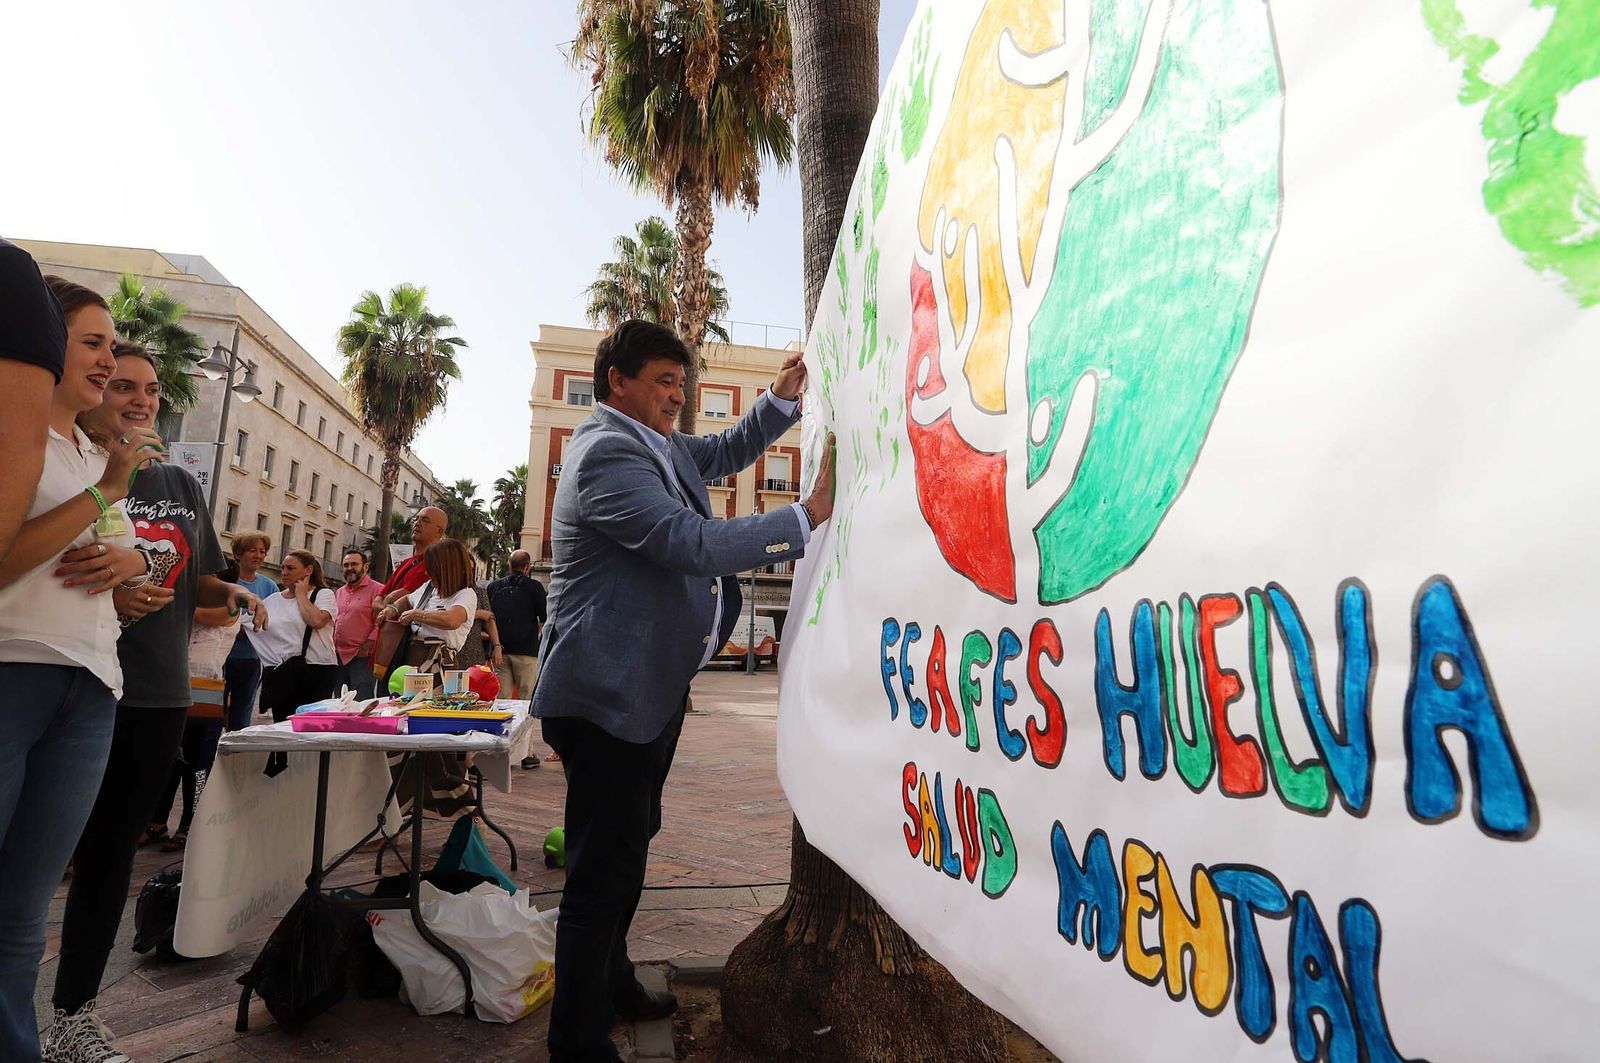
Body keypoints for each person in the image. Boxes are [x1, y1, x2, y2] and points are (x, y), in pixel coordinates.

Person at [531, 319, 835, 1063]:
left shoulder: (657, 445)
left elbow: (723, 451)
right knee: (601, 871)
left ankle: (615, 982)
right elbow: (687, 542)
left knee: (627, 852)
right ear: (617, 382)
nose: (678, 395)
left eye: (682, 381)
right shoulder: (606, 455)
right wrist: (805, 517)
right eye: (663, 380)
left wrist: (781, 399)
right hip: (607, 696)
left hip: (646, 692)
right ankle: (575, 1038)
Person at [43, 343, 264, 1063]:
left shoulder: (179, 481)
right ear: (92, 387)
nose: (140, 400)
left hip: (157, 691)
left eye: (151, 389)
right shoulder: (69, 465)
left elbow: (193, 576)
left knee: (109, 857)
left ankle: (75, 1016)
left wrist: (227, 592)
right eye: (123, 385)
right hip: (73, 679)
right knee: (40, 856)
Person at [0, 279, 161, 1063]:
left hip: (92, 687)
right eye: (93, 343)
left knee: (25, 914)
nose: (107, 359)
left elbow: (126, 558)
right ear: (43, 340)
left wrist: (130, 558)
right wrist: (103, 491)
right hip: (14, 671)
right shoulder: (21, 435)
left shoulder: (95, 453)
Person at [382, 536, 481, 817]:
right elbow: (403, 601)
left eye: (432, 565)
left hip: (443, 669)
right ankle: (405, 809)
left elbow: (453, 620)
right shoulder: (427, 589)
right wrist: (391, 609)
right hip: (414, 669)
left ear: (446, 565)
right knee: (406, 737)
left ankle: (463, 810)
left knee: (440, 742)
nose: (427, 571)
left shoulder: (466, 594)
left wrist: (418, 615)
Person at [0, 238, 66, 574]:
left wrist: (137, 565)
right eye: (94, 343)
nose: (109, 362)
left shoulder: (9, 270)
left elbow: (17, 442)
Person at [251, 551, 337, 774]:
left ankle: (310, 774)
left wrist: (301, 594)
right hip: (285, 673)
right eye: (283, 567)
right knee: (284, 727)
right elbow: (255, 626)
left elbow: (316, 620)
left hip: (318, 670)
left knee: (311, 728)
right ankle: (282, 772)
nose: (284, 572)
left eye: (291, 568)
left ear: (308, 571)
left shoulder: (323, 594)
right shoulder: (273, 600)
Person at [221, 532, 280, 730]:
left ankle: (236, 755)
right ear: (238, 554)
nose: (258, 556)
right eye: (252, 550)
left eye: (262, 551)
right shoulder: (226, 581)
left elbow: (274, 620)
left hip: (251, 659)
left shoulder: (269, 586)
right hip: (220, 656)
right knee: (213, 711)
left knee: (242, 713)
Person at [489, 549, 546, 698]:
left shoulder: (494, 587)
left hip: (499, 650)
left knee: (501, 699)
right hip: (526, 651)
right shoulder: (536, 588)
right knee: (526, 698)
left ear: (509, 564)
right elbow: (544, 618)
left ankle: (503, 722)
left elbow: (489, 618)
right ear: (527, 566)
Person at [333, 549, 382, 698]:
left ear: (365, 567)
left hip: (362, 658)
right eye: (346, 565)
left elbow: (380, 621)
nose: (349, 568)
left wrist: (368, 645)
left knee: (361, 703)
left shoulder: (378, 590)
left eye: (354, 564)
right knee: (341, 703)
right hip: (338, 656)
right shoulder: (339, 592)